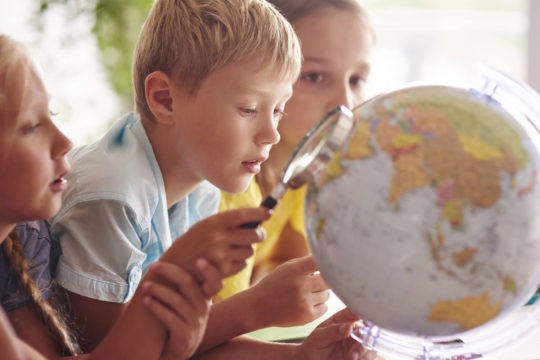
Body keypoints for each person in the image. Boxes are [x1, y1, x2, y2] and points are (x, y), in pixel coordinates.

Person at [47, 0, 361, 356]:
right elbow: (114, 348)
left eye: (278, 109)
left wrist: (299, 355)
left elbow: (186, 343)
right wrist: (253, 307)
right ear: (165, 100)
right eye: (249, 109)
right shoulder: (113, 198)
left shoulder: (201, 187)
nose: (272, 133)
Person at [0, 33, 228, 359]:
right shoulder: (113, 194)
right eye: (31, 126)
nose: (65, 141)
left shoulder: (23, 235)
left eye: (52, 115)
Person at [218, 0, 376, 299]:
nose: (345, 103)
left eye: (356, 80)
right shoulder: (227, 191)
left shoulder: (307, 169)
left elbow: (288, 261)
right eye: (314, 77)